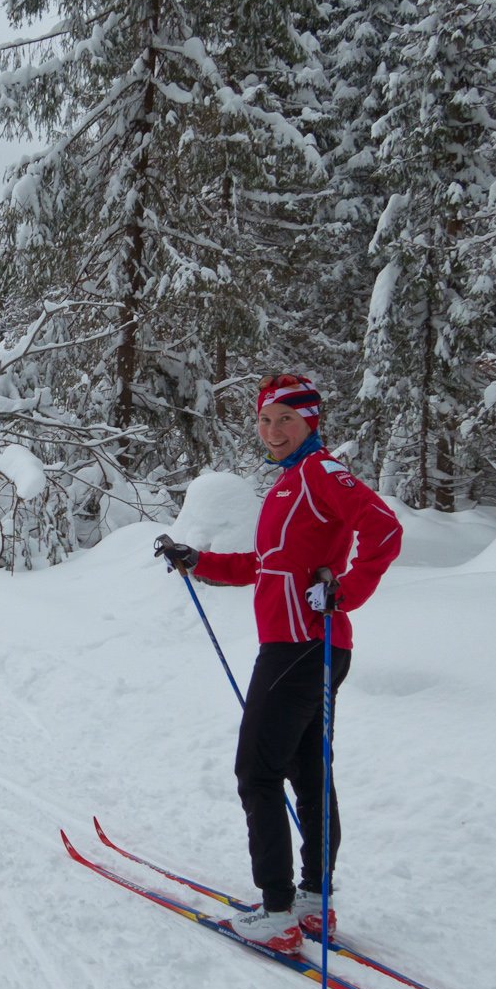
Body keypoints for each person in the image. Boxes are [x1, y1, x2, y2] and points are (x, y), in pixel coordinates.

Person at [154, 374, 403, 953]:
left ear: (310, 422)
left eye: (285, 420)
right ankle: (315, 902)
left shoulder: (320, 473)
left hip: (299, 646)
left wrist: (345, 588)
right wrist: (200, 561)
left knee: (256, 772)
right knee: (308, 772)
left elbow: (384, 529)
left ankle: (276, 912)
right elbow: (265, 565)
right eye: (265, 421)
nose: (273, 432)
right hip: (312, 647)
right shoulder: (292, 484)